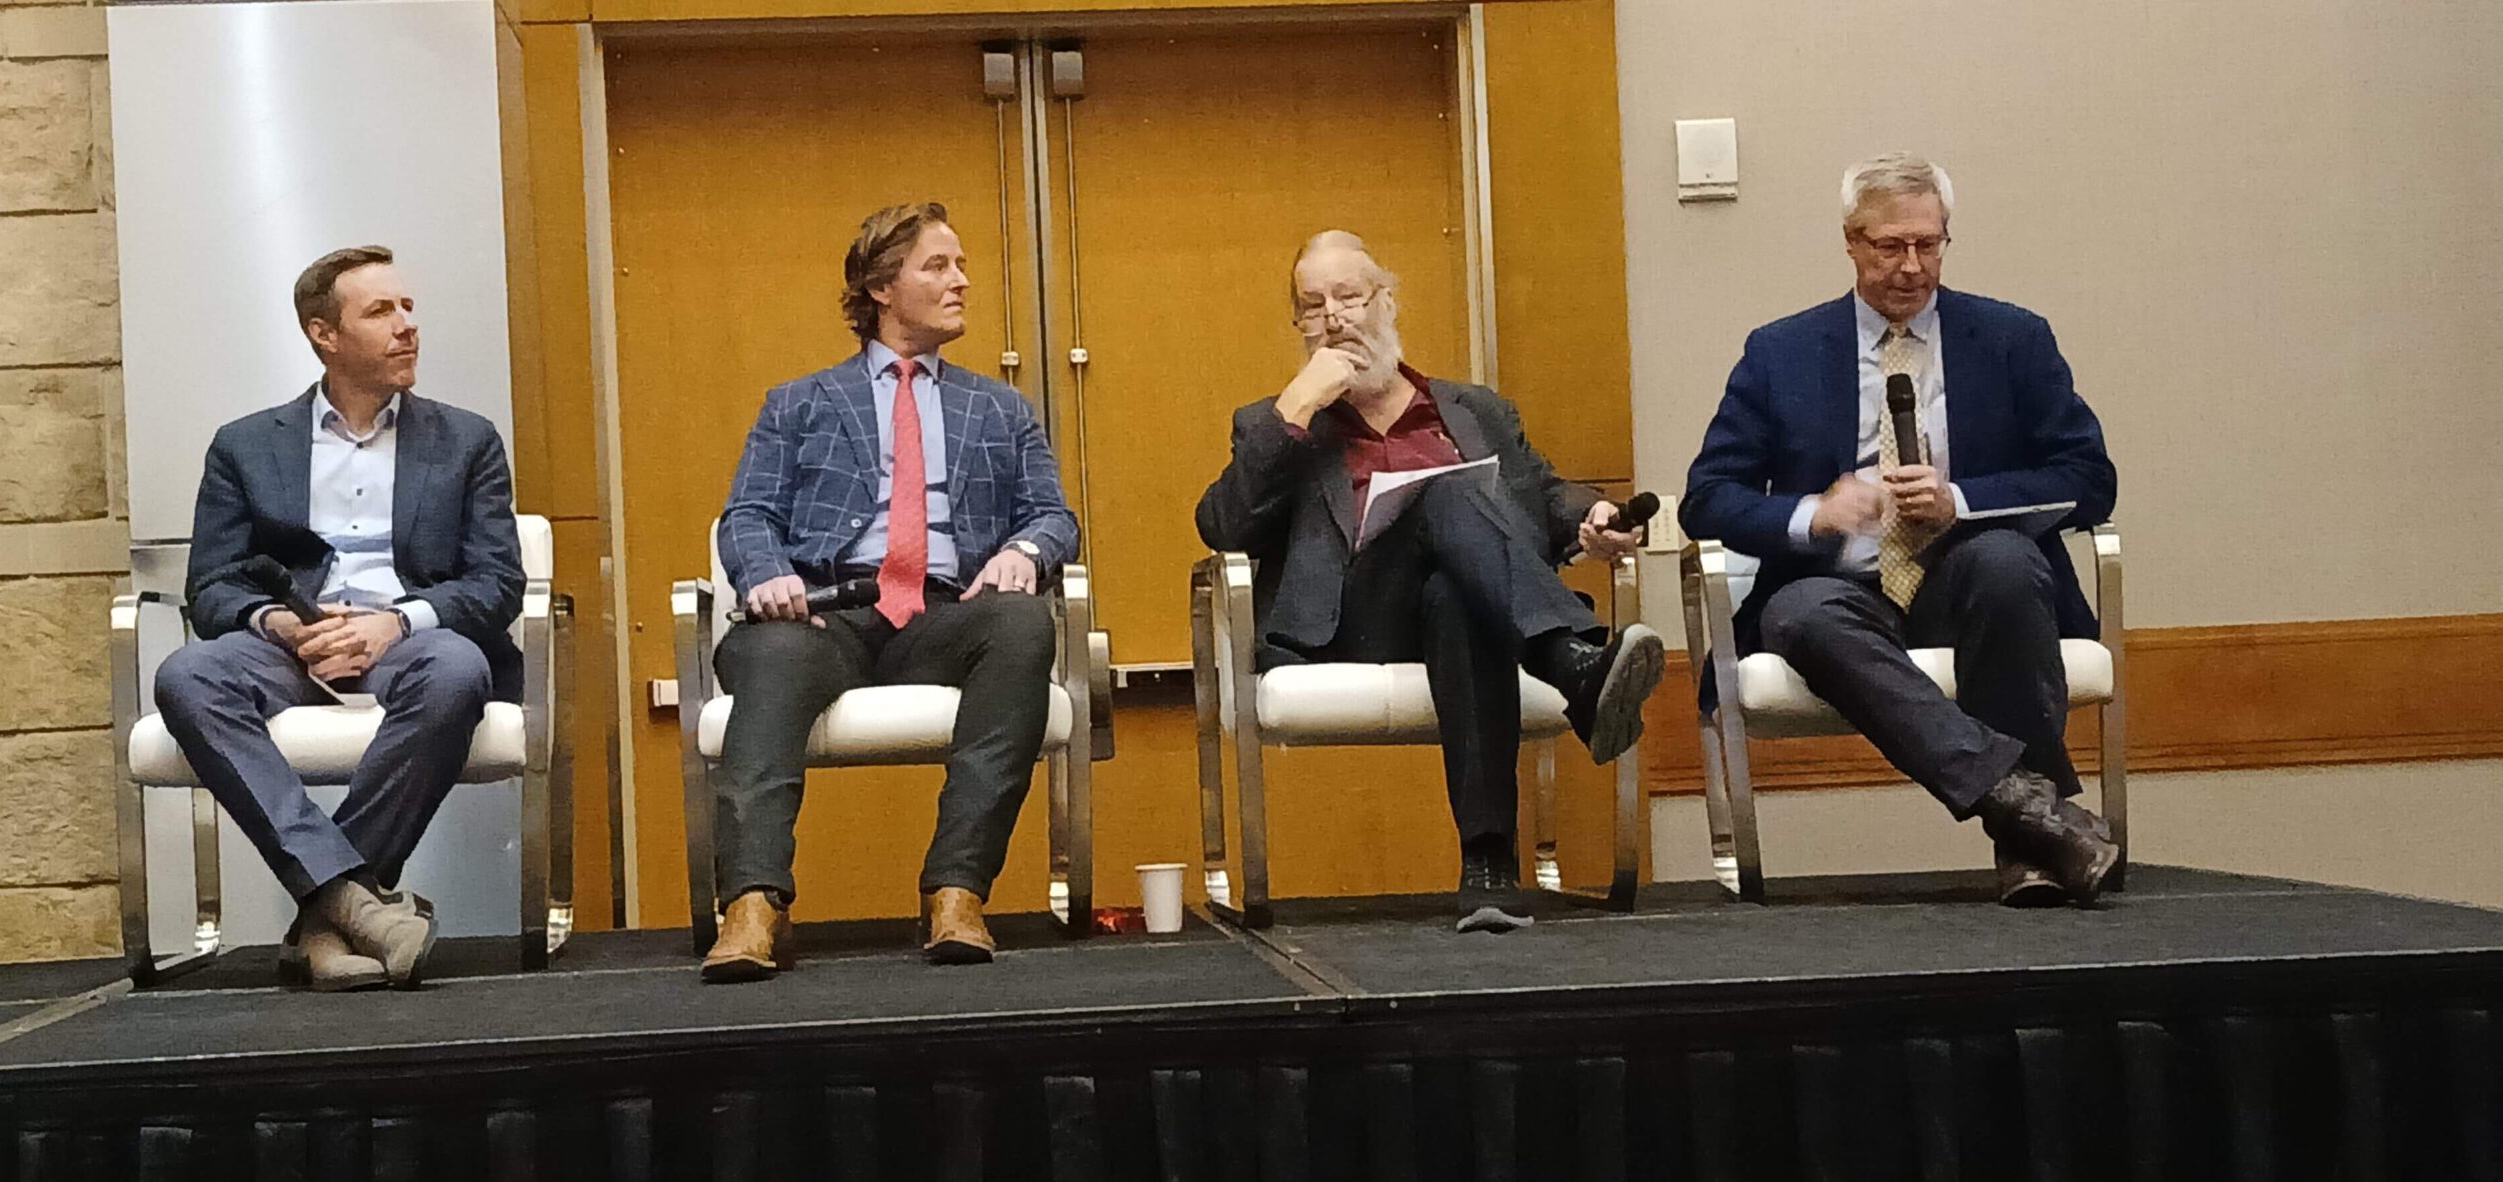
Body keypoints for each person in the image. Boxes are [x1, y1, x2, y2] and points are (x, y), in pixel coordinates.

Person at [1679, 152, 2122, 906]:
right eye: (1890, 246)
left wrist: (1960, 499)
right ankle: (2029, 813)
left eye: (1929, 244)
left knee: (2006, 564)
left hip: (1967, 576)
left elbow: (2088, 478)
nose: (1912, 266)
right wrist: (1810, 513)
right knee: (1803, 614)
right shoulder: (1779, 353)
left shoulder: (2013, 339)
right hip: (1840, 585)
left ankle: (2026, 838)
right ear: (1851, 242)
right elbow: (1706, 500)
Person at [1195, 231, 1663, 935]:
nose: (1336, 318)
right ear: (1299, 325)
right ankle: (1572, 661)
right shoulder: (1279, 422)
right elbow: (1223, 525)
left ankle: (1487, 871)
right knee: (1448, 497)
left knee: (1457, 595)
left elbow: (1539, 493)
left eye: (1350, 297)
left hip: (1461, 611)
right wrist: (1296, 406)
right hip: (1348, 621)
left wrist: (1591, 514)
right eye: (1313, 306)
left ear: (1387, 301)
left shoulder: (1473, 410)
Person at [700, 203, 1079, 982]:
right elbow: (748, 515)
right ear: (880, 286)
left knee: (1021, 626)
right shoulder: (798, 403)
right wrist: (767, 573)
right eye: (938, 266)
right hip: (824, 614)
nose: (961, 281)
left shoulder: (1002, 409)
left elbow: (1052, 513)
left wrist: (1025, 549)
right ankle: (753, 905)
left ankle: (957, 892)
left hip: (946, 614)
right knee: (768, 654)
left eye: (962, 264)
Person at [153, 246, 522, 990]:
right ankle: (357, 906)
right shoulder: (247, 446)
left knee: (458, 669)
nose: (407, 327)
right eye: (381, 312)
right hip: (292, 643)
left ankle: (323, 916)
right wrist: (278, 625)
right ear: (324, 335)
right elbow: (212, 586)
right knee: (186, 675)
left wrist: (399, 621)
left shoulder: (467, 439)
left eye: (408, 309)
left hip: (410, 640)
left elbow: (497, 583)